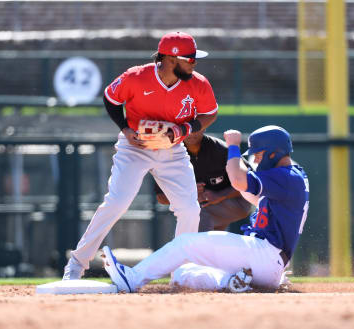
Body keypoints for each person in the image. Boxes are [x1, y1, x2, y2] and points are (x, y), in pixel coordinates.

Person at [63, 31, 218, 280]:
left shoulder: (198, 83)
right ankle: (77, 264)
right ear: (170, 59)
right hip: (135, 148)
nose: (194, 62)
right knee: (116, 202)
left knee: (190, 209)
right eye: (189, 58)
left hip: (172, 149)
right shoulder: (137, 77)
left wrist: (186, 129)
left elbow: (210, 113)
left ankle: (182, 271)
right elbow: (111, 98)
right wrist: (125, 128)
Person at [101, 125, 310, 292]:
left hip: (264, 253)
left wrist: (234, 147)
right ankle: (231, 281)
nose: (255, 158)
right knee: (183, 274)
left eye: (259, 153)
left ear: (274, 153)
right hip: (267, 265)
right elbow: (246, 189)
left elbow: (238, 182)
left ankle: (132, 278)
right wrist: (236, 161)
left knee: (185, 243)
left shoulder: (286, 177)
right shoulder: (292, 176)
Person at [155, 129, 253, 232]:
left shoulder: (220, 149)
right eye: (186, 128)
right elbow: (161, 197)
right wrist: (187, 193)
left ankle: (192, 246)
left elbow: (250, 182)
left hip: (235, 201)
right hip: (201, 205)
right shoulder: (170, 154)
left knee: (198, 216)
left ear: (204, 127)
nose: (191, 133)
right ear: (178, 130)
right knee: (198, 218)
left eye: (195, 128)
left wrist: (220, 195)